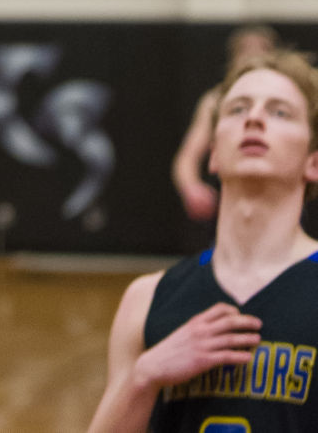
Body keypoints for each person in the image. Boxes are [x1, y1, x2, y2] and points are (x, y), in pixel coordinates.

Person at [87, 48, 318, 433]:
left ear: (314, 162)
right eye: (238, 109)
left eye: (280, 112)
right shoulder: (147, 299)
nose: (254, 119)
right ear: (212, 155)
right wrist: (144, 376)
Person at [173, 25, 281, 222]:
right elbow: (187, 157)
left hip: (280, 201)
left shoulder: (291, 98)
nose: (253, 55)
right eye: (245, 49)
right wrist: (192, 188)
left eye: (262, 48)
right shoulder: (215, 100)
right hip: (230, 205)